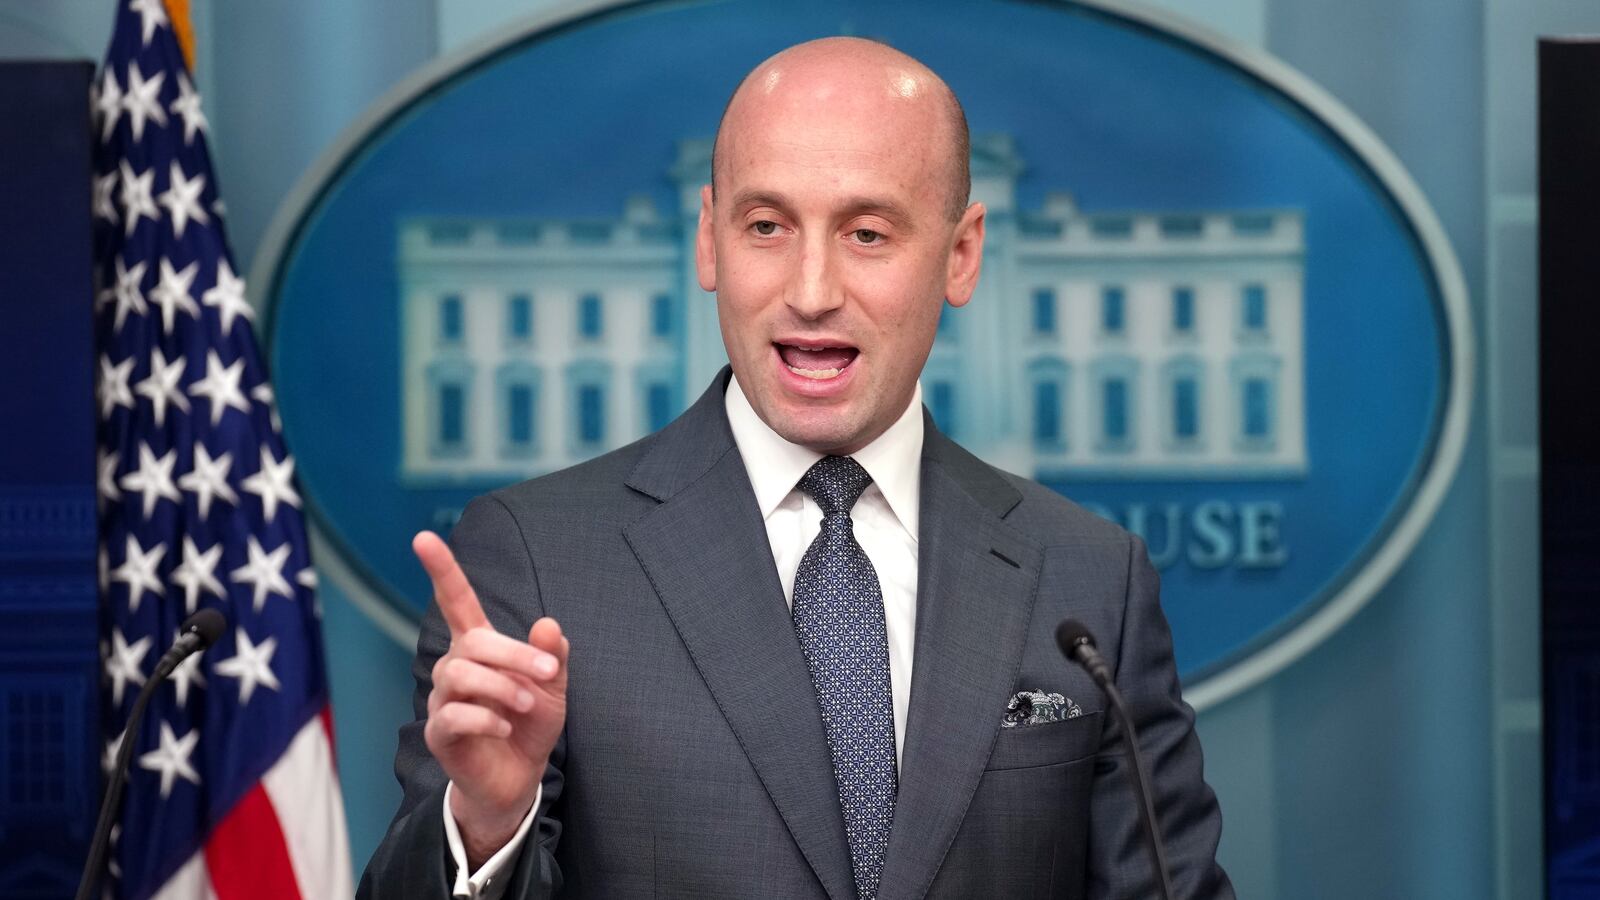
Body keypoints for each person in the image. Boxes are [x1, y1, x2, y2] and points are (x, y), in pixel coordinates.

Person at [359, 36, 1233, 900]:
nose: (811, 290)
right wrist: (486, 828)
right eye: (767, 226)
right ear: (710, 241)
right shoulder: (536, 557)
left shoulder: (1090, 578)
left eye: (866, 232)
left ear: (960, 255)